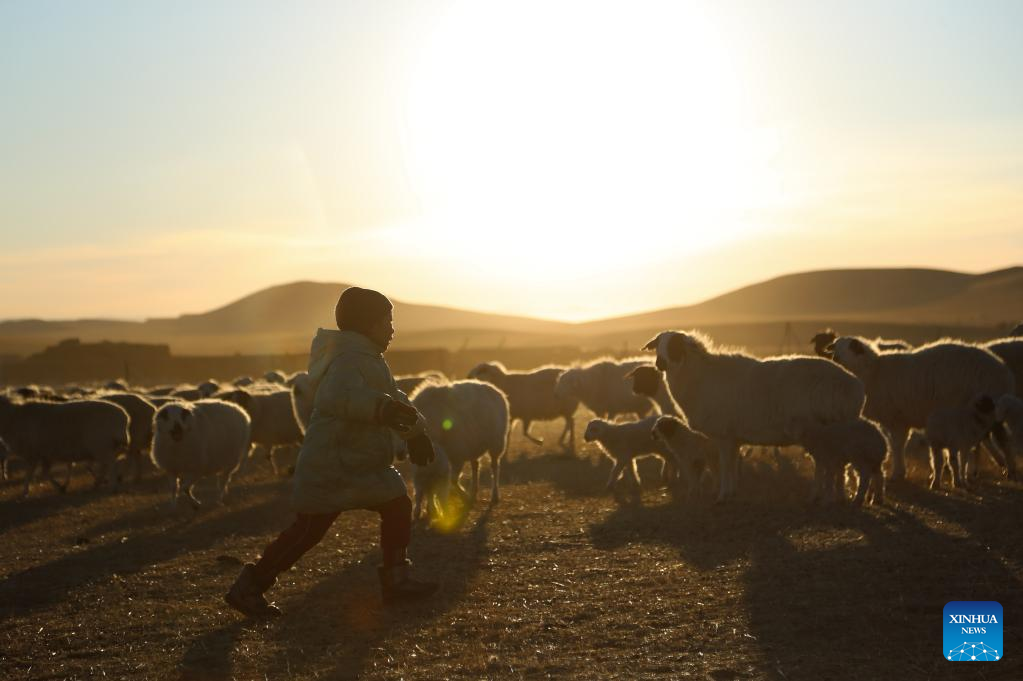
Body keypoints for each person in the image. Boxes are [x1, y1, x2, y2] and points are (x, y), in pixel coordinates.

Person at [226, 286, 438, 617]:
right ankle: (250, 586)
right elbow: (339, 397)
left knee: (397, 505)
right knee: (307, 532)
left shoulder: (367, 357)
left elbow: (392, 397)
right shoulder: (346, 359)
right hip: (332, 465)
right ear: (367, 324)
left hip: (358, 463)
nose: (392, 328)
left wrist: (415, 432)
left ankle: (397, 580)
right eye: (387, 320)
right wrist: (384, 412)